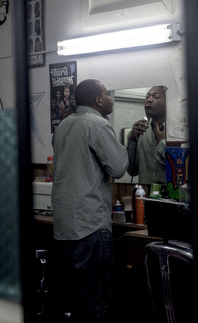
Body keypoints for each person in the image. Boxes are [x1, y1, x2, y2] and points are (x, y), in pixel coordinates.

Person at [51, 79, 128, 323]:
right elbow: (118, 168)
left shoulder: (63, 125)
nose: (110, 99)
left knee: (73, 300)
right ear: (97, 100)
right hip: (91, 226)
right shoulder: (98, 125)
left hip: (64, 228)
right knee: (96, 301)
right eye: (107, 94)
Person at [126, 85, 166, 184]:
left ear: (169, 103)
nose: (149, 100)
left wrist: (162, 142)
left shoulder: (178, 132)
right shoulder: (142, 131)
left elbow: (182, 169)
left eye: (156, 97)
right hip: (144, 196)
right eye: (147, 97)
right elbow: (132, 171)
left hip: (171, 197)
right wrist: (132, 140)